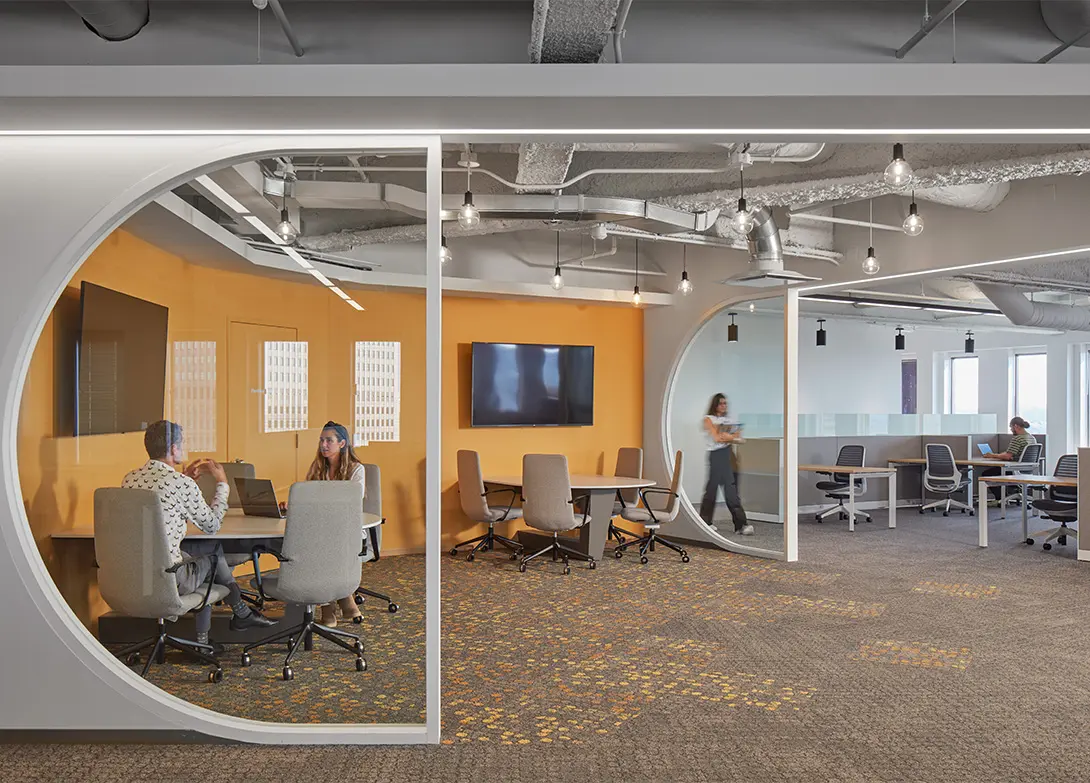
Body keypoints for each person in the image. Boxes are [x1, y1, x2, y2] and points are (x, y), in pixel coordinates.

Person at [121, 420, 274, 647]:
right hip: (171, 578)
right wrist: (222, 483)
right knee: (213, 551)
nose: (183, 448)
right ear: (173, 449)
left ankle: (233, 619)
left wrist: (188, 483)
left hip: (137, 575)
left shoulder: (130, 479)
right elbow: (211, 525)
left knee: (201, 552)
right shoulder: (179, 483)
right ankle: (238, 614)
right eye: (181, 444)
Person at [305, 421, 367, 627]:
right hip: (322, 527)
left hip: (347, 528)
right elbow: (309, 498)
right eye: (321, 440)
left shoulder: (356, 469)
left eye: (328, 440)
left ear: (342, 443)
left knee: (322, 545)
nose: (323, 445)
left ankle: (328, 606)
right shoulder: (317, 468)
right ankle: (344, 597)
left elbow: (350, 503)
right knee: (315, 541)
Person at [699, 393, 754, 536]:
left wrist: (729, 437)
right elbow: (717, 438)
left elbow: (740, 438)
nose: (724, 406)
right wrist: (730, 437)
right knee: (712, 489)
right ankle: (705, 522)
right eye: (721, 403)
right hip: (716, 456)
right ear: (715, 404)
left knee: (731, 490)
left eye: (725, 403)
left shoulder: (729, 420)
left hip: (729, 455)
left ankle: (741, 525)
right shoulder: (708, 419)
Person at [980, 416, 1038, 503]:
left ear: (1016, 426)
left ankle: (1000, 499)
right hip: (1027, 469)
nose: (1011, 430)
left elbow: (1007, 456)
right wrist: (999, 455)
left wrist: (992, 455)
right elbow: (1011, 454)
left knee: (987, 474)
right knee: (996, 471)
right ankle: (1005, 496)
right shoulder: (1031, 438)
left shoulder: (1018, 438)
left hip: (1015, 469)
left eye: (1011, 427)